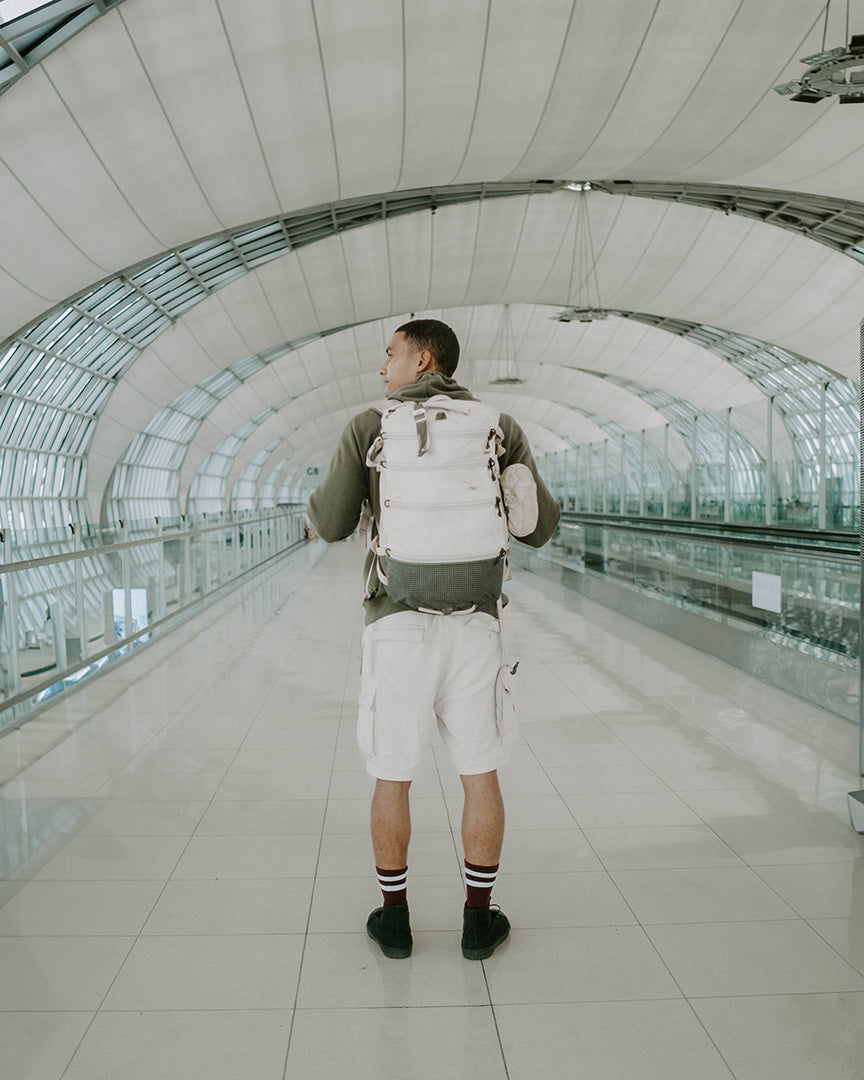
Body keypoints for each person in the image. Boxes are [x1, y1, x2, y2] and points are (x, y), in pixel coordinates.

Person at [307, 319, 560, 960]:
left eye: (389, 355)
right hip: (476, 623)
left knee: (393, 775)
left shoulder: (370, 427)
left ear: (422, 360)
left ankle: (395, 921)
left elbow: (332, 522)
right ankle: (479, 921)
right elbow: (540, 530)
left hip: (395, 624)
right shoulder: (499, 426)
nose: (381, 368)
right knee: (480, 774)